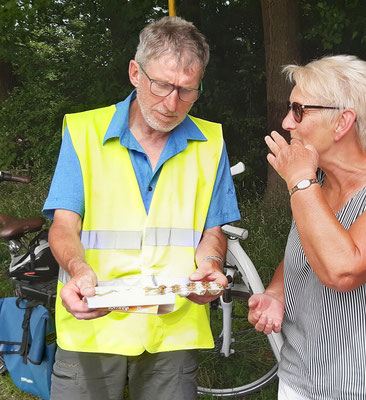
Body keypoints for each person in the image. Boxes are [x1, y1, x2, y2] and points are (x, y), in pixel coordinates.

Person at [43, 16, 240, 400]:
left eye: (187, 91)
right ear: (135, 72)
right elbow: (64, 224)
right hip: (94, 325)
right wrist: (78, 269)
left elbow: (212, 231)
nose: (172, 103)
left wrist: (211, 266)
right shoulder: (83, 132)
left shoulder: (211, 142)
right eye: (163, 85)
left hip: (173, 330)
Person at [248, 55, 366, 399]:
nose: (287, 122)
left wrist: (299, 181)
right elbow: (304, 249)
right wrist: (275, 293)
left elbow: (342, 271)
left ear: (342, 122)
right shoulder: (317, 187)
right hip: (299, 378)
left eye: (299, 111)